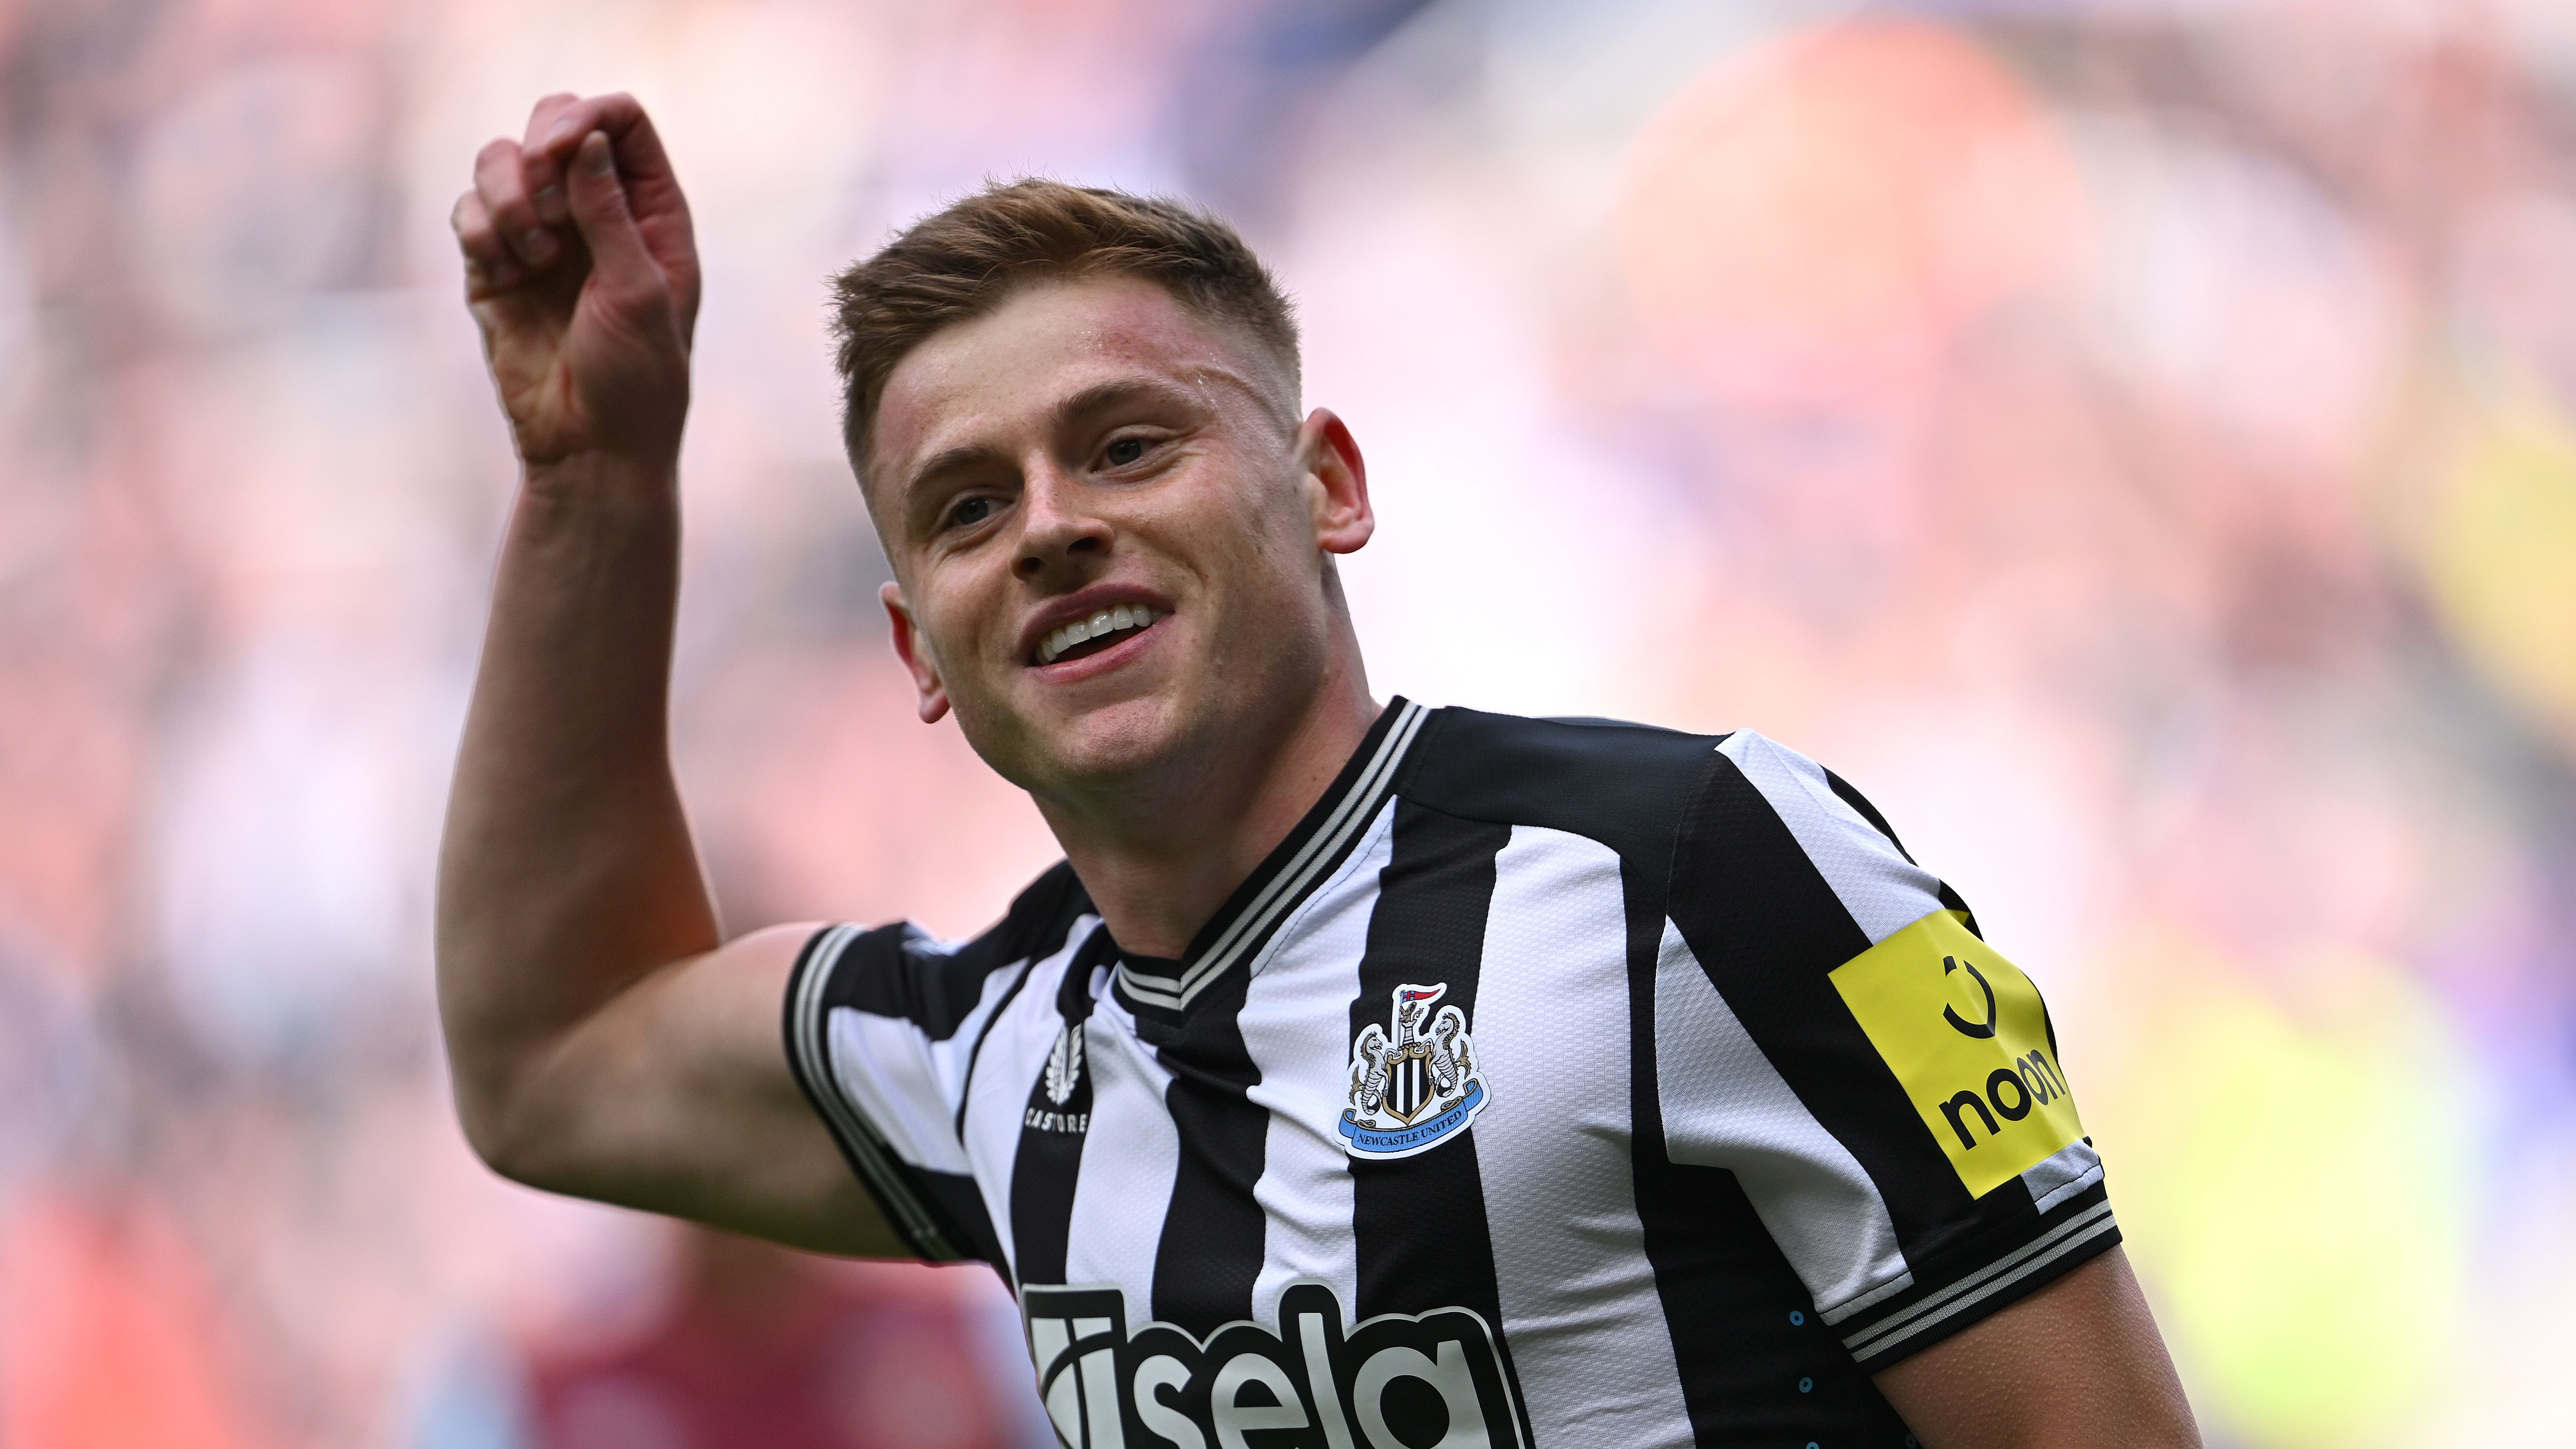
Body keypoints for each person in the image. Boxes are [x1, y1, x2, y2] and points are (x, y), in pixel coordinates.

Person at [439, 92, 2201, 1449]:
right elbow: (551, 1060)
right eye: (967, 508)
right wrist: (595, 476)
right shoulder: (992, 1058)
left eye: (1127, 445)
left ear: (1329, 486)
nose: (1048, 527)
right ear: (919, 652)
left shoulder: (1699, 869)